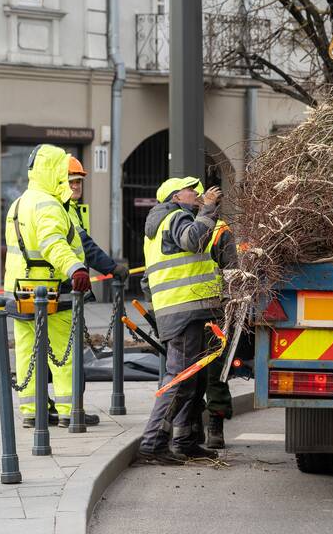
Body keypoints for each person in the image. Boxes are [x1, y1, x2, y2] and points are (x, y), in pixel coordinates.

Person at [3, 144, 100, 429]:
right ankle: (70, 410)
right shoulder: (48, 204)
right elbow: (51, 243)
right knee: (63, 352)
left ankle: (32, 411)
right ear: (53, 170)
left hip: (19, 291)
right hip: (51, 292)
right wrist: (75, 268)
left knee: (26, 352)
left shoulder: (18, 203)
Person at [138, 176, 223, 462]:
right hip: (183, 310)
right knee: (181, 378)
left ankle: (185, 438)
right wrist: (208, 209)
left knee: (193, 379)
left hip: (185, 309)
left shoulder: (168, 220)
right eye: (192, 190)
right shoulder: (174, 217)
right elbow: (194, 240)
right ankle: (153, 442)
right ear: (176, 197)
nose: (199, 193)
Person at [66, 156, 130, 286]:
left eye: (78, 182)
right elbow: (85, 245)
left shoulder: (73, 208)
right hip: (67, 282)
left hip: (72, 281)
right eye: (70, 182)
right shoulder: (65, 209)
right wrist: (112, 267)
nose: (75, 186)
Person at [202, 219, 236, 449]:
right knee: (187, 374)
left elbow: (232, 272)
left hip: (213, 310)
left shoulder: (218, 231)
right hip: (180, 310)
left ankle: (215, 423)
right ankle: (190, 426)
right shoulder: (171, 225)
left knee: (214, 370)